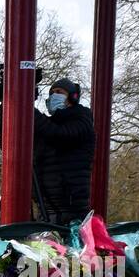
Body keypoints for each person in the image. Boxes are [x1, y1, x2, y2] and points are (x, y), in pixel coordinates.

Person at [33, 78, 95, 226]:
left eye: (59, 92)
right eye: (52, 93)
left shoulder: (82, 120)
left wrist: (30, 113)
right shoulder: (47, 125)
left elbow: (59, 134)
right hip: (47, 208)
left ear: (72, 97)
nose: (54, 96)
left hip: (72, 209)